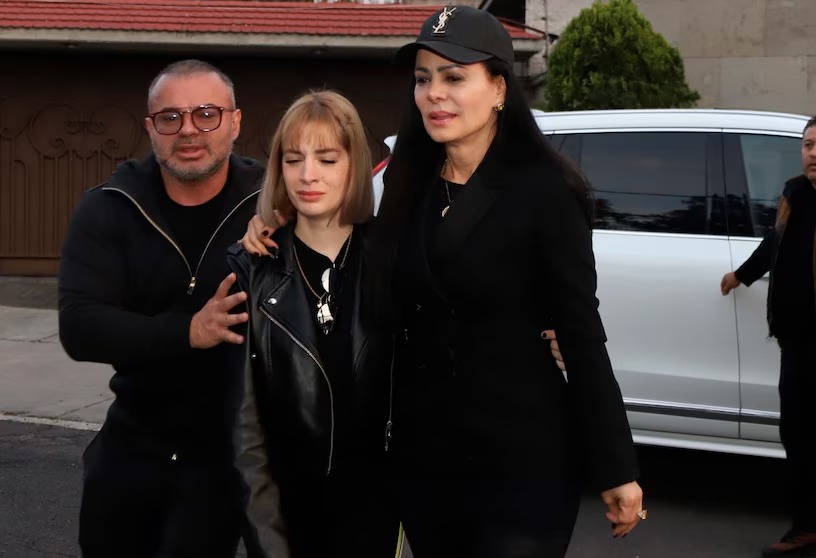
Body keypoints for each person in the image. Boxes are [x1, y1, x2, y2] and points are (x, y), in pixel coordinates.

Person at [365, 7, 643, 556]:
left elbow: (580, 332)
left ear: (498, 88)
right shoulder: (406, 183)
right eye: (423, 78)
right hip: (426, 462)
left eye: (454, 77)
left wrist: (617, 466)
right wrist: (270, 222)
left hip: (523, 463)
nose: (433, 93)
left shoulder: (547, 190)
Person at [57, 60, 262, 557]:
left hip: (244, 451)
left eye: (207, 114)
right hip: (137, 443)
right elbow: (80, 327)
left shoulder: (272, 201)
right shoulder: (110, 205)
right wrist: (188, 331)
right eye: (171, 117)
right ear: (150, 128)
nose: (188, 129)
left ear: (235, 122)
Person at [227, 91, 399, 558]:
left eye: (326, 159)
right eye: (293, 159)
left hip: (377, 518)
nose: (307, 175)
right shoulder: (250, 269)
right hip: (289, 521)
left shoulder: (393, 258)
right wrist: (270, 546)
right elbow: (245, 435)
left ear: (354, 164)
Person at [721, 116, 816, 558]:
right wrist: (741, 275)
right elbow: (774, 244)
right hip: (795, 341)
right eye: (808, 145)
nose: (814, 153)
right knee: (796, 434)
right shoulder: (794, 194)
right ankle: (806, 527)